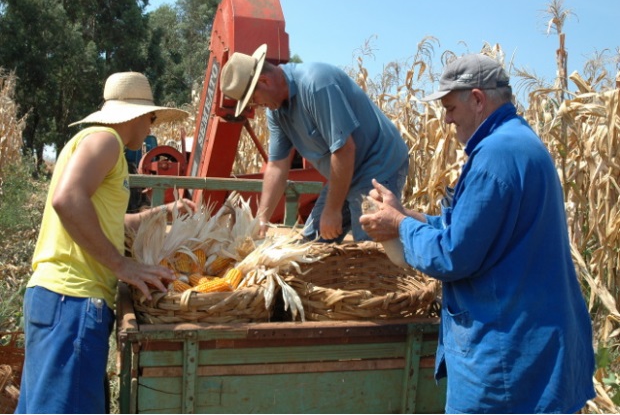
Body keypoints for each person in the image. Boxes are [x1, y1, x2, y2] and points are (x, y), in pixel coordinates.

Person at [359, 54, 595, 413]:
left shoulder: (494, 158)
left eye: (451, 107)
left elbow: (454, 254)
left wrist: (398, 227)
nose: (447, 118)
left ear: (478, 99)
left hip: (507, 355)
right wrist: (405, 214)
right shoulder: (516, 143)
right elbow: (474, 228)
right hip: (533, 338)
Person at [16, 72, 195, 414]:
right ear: (138, 115)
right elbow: (67, 200)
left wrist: (162, 212)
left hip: (54, 298)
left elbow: (107, 223)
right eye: (152, 117)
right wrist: (121, 265)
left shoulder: (90, 142)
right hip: (74, 299)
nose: (151, 127)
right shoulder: (107, 141)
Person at [220, 44, 409, 242]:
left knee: (370, 243)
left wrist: (333, 210)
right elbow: (276, 166)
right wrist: (262, 218)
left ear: (264, 80)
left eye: (253, 100)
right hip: (345, 172)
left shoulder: (316, 84)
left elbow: (345, 150)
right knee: (310, 244)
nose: (256, 107)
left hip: (377, 164)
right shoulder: (275, 113)